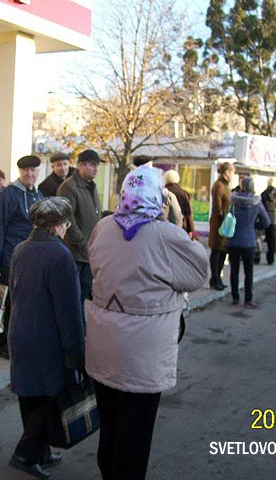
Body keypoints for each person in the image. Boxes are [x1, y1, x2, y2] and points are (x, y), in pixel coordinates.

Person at [86, 166, 209, 480]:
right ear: (158, 196)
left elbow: (96, 266)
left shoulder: (103, 227)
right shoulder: (166, 235)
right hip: (143, 354)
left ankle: (107, 471)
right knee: (136, 430)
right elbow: (197, 276)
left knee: (110, 421)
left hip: (103, 344)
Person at [7, 197, 85, 480]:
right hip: (47, 339)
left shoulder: (21, 248)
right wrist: (76, 351)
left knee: (30, 396)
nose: (67, 228)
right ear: (58, 226)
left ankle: (41, 451)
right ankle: (26, 454)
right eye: (67, 223)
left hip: (21, 333)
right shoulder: (60, 256)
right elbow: (69, 311)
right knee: (51, 398)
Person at [0, 155, 43, 359]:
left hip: (30, 259)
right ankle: (3, 345)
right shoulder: (7, 195)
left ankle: (19, 342)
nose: (30, 174)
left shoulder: (38, 195)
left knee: (23, 304)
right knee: (8, 304)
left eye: (33, 170)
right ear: (20, 172)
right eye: (25, 170)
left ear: (38, 171)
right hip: (9, 258)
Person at [57, 149, 103, 322]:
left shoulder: (91, 186)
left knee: (83, 295)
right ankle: (74, 334)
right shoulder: (69, 187)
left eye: (97, 165)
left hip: (88, 253)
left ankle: (80, 331)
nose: (96, 169)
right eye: (92, 164)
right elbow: (68, 220)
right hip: (76, 253)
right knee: (74, 298)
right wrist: (83, 244)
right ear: (80, 165)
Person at [227, 177, 271, 309]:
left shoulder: (234, 200)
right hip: (249, 241)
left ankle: (235, 298)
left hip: (233, 240)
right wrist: (255, 226)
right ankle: (248, 300)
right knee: (249, 272)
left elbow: (228, 216)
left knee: (234, 270)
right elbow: (266, 222)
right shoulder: (256, 202)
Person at [208, 162, 235, 290]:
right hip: (219, 224)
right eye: (232, 172)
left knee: (223, 251)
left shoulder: (225, 186)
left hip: (225, 223)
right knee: (217, 251)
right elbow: (217, 207)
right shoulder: (219, 186)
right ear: (227, 172)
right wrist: (223, 219)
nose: (233, 175)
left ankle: (218, 277)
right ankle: (214, 278)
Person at [260, 177, 276, 265]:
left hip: (263, 218)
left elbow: (259, 207)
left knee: (258, 237)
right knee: (272, 240)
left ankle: (256, 255)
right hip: (274, 220)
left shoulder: (263, 194)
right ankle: (270, 259)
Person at [163, 169, 196, 236]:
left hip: (164, 227)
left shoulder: (162, 192)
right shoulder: (184, 193)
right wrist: (191, 230)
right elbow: (188, 213)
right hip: (181, 228)